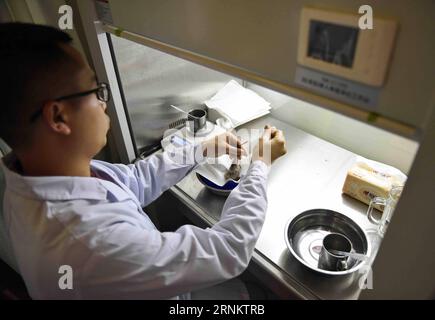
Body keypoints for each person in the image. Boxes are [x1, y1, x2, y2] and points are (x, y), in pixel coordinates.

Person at [0, 23, 287, 299]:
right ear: (58, 117)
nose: (104, 103)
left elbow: (133, 180)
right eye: (95, 91)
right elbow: (228, 250)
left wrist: (200, 149)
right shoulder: (92, 244)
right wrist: (260, 164)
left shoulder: (37, 176)